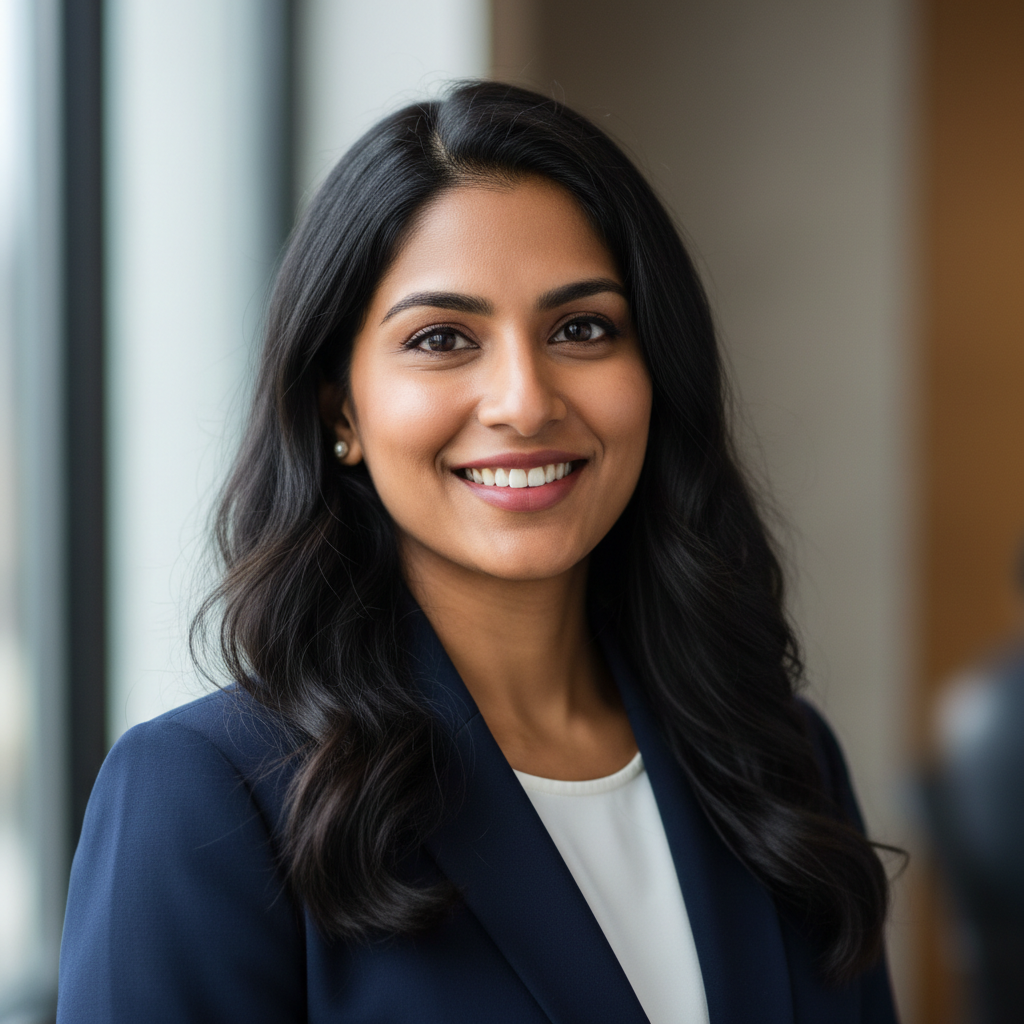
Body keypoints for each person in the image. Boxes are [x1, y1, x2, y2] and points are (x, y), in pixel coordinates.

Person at [57, 81, 899, 1023]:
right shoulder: (209, 796)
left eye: (581, 328)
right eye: (443, 339)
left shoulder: (780, 761)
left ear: (655, 372)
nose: (525, 402)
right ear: (341, 410)